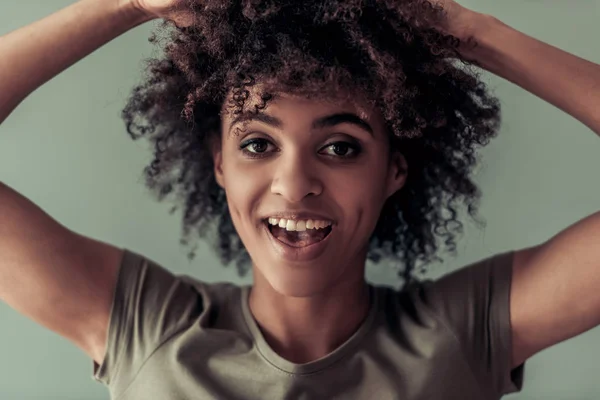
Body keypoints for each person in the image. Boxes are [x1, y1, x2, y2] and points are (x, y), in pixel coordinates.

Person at [0, 0, 599, 399]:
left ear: (394, 170)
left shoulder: (464, 334)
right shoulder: (147, 328)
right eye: (258, 144)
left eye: (340, 148)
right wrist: (125, 3)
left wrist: (475, 35)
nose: (294, 184)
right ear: (219, 165)